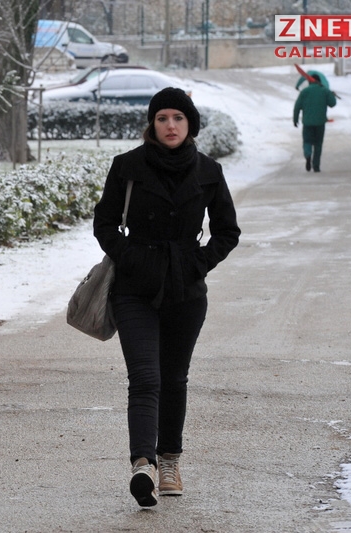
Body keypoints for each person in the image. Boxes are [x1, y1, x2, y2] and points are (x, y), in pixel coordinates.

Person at [93, 87, 240, 507]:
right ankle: (143, 463)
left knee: (174, 378)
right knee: (145, 377)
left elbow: (227, 230)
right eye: (162, 118)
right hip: (134, 289)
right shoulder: (127, 166)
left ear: (190, 124)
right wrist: (131, 257)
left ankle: (170, 460)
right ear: (152, 124)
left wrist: (198, 263)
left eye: (178, 118)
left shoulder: (209, 170)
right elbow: (104, 223)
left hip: (186, 291)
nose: (170, 125)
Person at [293, 74, 336, 172]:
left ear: (310, 81)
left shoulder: (304, 91)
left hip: (307, 122)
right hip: (320, 122)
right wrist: (331, 95)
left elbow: (297, 106)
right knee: (318, 144)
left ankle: (308, 155)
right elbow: (332, 104)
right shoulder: (324, 91)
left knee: (307, 141)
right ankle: (316, 166)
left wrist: (295, 119)